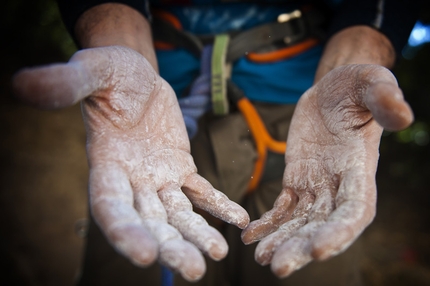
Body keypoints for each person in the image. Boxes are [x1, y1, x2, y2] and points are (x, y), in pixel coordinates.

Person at [12, 0, 419, 285]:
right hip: (153, 112)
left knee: (309, 264)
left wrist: (359, 57)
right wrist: (116, 40)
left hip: (304, 120)